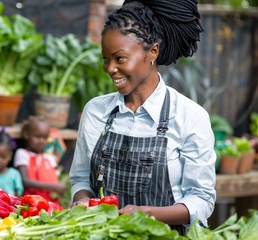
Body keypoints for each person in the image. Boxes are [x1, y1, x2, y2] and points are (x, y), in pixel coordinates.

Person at [69, 0, 216, 234]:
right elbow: (81, 179)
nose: (109, 69)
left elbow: (202, 199)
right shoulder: (95, 111)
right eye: (106, 60)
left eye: (120, 59)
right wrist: (82, 199)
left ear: (153, 52)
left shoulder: (190, 116)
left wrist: (148, 215)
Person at [14, 116, 67, 204]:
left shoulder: (49, 158)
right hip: (32, 201)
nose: (42, 141)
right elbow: (25, 181)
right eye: (38, 136)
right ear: (27, 134)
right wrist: (54, 187)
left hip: (51, 202)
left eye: (45, 137)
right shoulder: (23, 154)